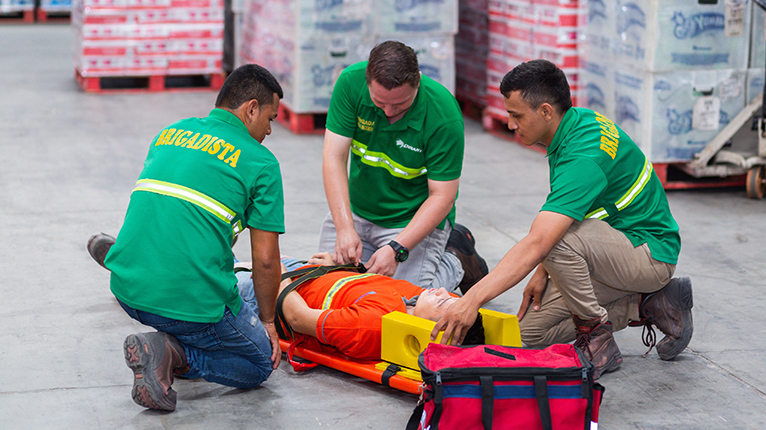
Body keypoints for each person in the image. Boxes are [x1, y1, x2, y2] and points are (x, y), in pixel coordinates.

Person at [431, 59, 693, 379]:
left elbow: (542, 241)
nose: (511, 124)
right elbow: (572, 216)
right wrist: (544, 272)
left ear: (545, 111)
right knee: (529, 335)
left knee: (553, 243)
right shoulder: (574, 125)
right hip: (613, 249)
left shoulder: (583, 156)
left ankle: (596, 336)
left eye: (516, 116)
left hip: (649, 253)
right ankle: (650, 303)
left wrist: (471, 299)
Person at [86, 64, 286, 411]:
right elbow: (266, 261)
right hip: (189, 308)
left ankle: (129, 259)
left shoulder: (171, 132)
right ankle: (174, 354)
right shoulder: (261, 163)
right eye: (270, 117)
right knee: (259, 362)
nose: (270, 130)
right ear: (251, 108)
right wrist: (268, 323)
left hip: (127, 292)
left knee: (222, 273)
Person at [319, 40, 487, 295]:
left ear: (418, 81)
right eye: (379, 102)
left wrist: (398, 248)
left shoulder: (443, 116)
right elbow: (333, 157)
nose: (388, 112)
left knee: (402, 302)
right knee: (329, 289)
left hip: (410, 220)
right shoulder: (349, 83)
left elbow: (442, 195)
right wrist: (344, 228)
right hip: (357, 211)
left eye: (399, 104)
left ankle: (457, 259)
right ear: (367, 81)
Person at [235, 253, 484, 361]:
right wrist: (335, 268)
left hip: (266, 296)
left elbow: (297, 318)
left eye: (442, 300)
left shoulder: (370, 326)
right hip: (304, 272)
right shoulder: (419, 299)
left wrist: (278, 275)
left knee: (204, 267)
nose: (440, 290)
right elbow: (361, 287)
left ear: (432, 331)